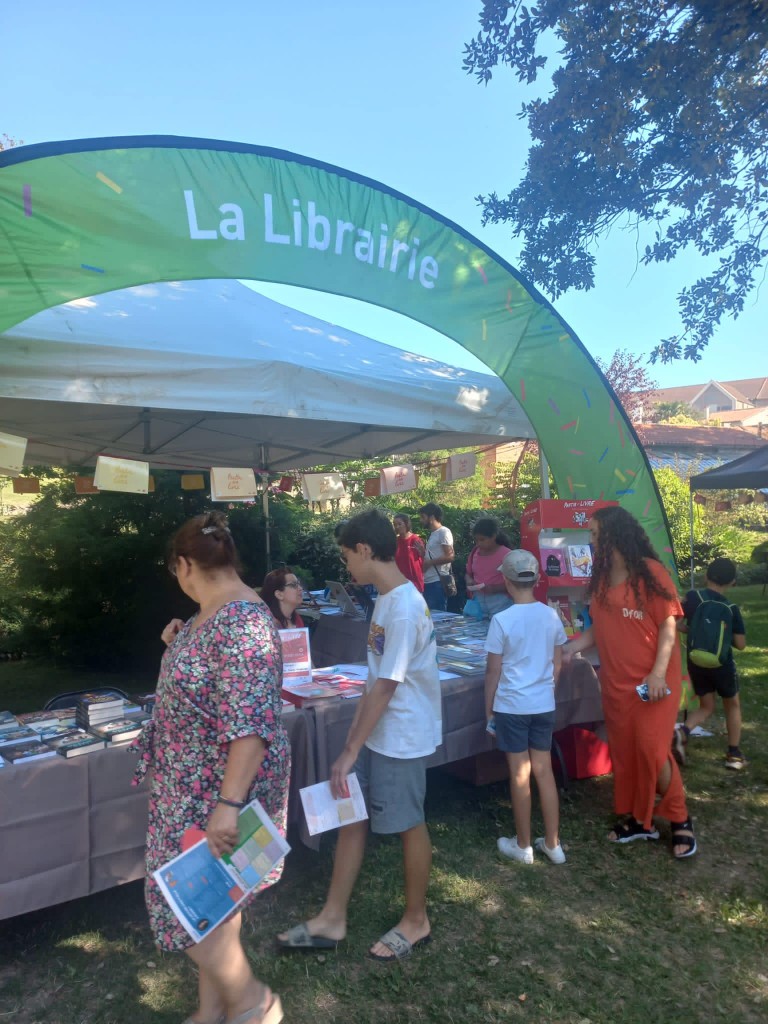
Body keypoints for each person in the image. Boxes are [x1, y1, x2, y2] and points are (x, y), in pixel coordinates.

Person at [133, 511, 289, 1024]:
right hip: (192, 789)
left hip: (213, 795)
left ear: (183, 565)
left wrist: (228, 806)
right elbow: (209, 687)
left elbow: (250, 725)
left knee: (178, 900)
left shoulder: (242, 620)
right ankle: (211, 1011)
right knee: (214, 902)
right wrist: (178, 645)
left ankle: (252, 1002)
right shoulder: (211, 615)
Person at [277, 508, 441, 962]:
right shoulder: (386, 600)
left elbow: (388, 684)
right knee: (352, 814)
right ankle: (332, 917)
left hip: (402, 735)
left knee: (409, 822)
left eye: (347, 555)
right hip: (377, 730)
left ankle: (416, 919)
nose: (346, 565)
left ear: (365, 550)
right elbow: (376, 680)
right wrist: (355, 737)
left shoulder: (404, 608)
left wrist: (349, 750)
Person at [564, 506, 696, 859]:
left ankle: (681, 819)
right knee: (627, 752)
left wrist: (657, 673)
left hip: (654, 681)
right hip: (617, 683)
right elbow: (599, 627)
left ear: (613, 535)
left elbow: (669, 624)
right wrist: (570, 648)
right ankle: (641, 821)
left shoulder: (650, 573)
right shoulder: (603, 576)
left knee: (652, 751)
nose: (591, 540)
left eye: (594, 534)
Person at [485, 549, 568, 864]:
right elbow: (556, 663)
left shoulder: (501, 620)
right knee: (544, 772)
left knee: (520, 774)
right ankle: (553, 843)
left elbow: (493, 671)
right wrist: (546, 691)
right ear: (537, 579)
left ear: (506, 581)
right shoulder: (550, 615)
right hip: (542, 704)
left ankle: (523, 845)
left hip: (511, 707)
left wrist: (488, 711)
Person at [674, 557, 747, 770]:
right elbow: (741, 644)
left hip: (696, 661)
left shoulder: (692, 597)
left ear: (706, 575)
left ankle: (682, 731)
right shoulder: (731, 607)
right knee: (732, 705)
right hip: (721, 664)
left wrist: (693, 631)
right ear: (732, 582)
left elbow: (677, 623)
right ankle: (734, 754)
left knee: (706, 706)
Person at [465, 517, 514, 619]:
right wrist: (469, 580)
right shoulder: (475, 552)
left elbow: (516, 583)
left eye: (482, 540)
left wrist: (495, 588)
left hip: (500, 602)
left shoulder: (506, 554)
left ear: (493, 537)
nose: (478, 543)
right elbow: (468, 573)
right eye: (476, 540)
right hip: (478, 601)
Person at [419, 502, 455, 612]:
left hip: (437, 582)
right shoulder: (433, 534)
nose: (421, 520)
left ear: (432, 517)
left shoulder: (443, 532)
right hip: (429, 582)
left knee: (437, 617)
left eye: (423, 517)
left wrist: (429, 563)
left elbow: (450, 556)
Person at [393, 512, 426, 592]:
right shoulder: (395, 542)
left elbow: (424, 560)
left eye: (399, 524)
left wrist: (423, 553)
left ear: (406, 524)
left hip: (415, 585)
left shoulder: (415, 540)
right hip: (400, 585)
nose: (397, 527)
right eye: (395, 524)